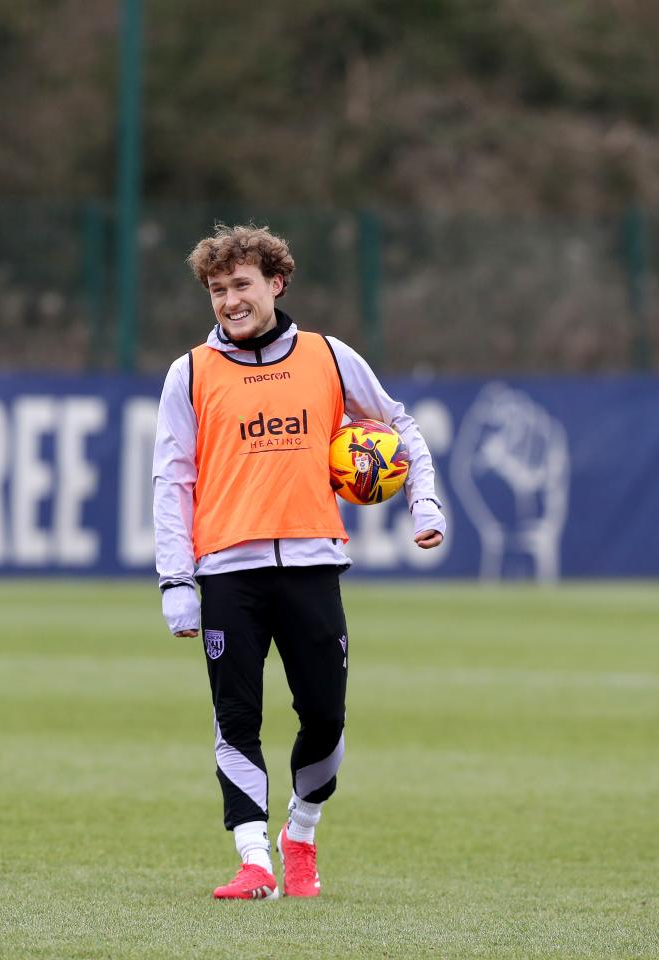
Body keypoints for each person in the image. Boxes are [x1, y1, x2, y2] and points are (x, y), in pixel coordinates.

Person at [152, 223, 445, 901]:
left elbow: (399, 425)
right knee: (236, 719)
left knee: (326, 718)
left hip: (314, 565)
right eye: (218, 290)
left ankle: (301, 834)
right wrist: (176, 582)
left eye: (242, 285)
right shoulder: (189, 373)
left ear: (276, 283)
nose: (229, 301)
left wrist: (423, 505)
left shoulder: (328, 356)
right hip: (227, 572)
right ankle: (253, 860)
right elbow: (172, 482)